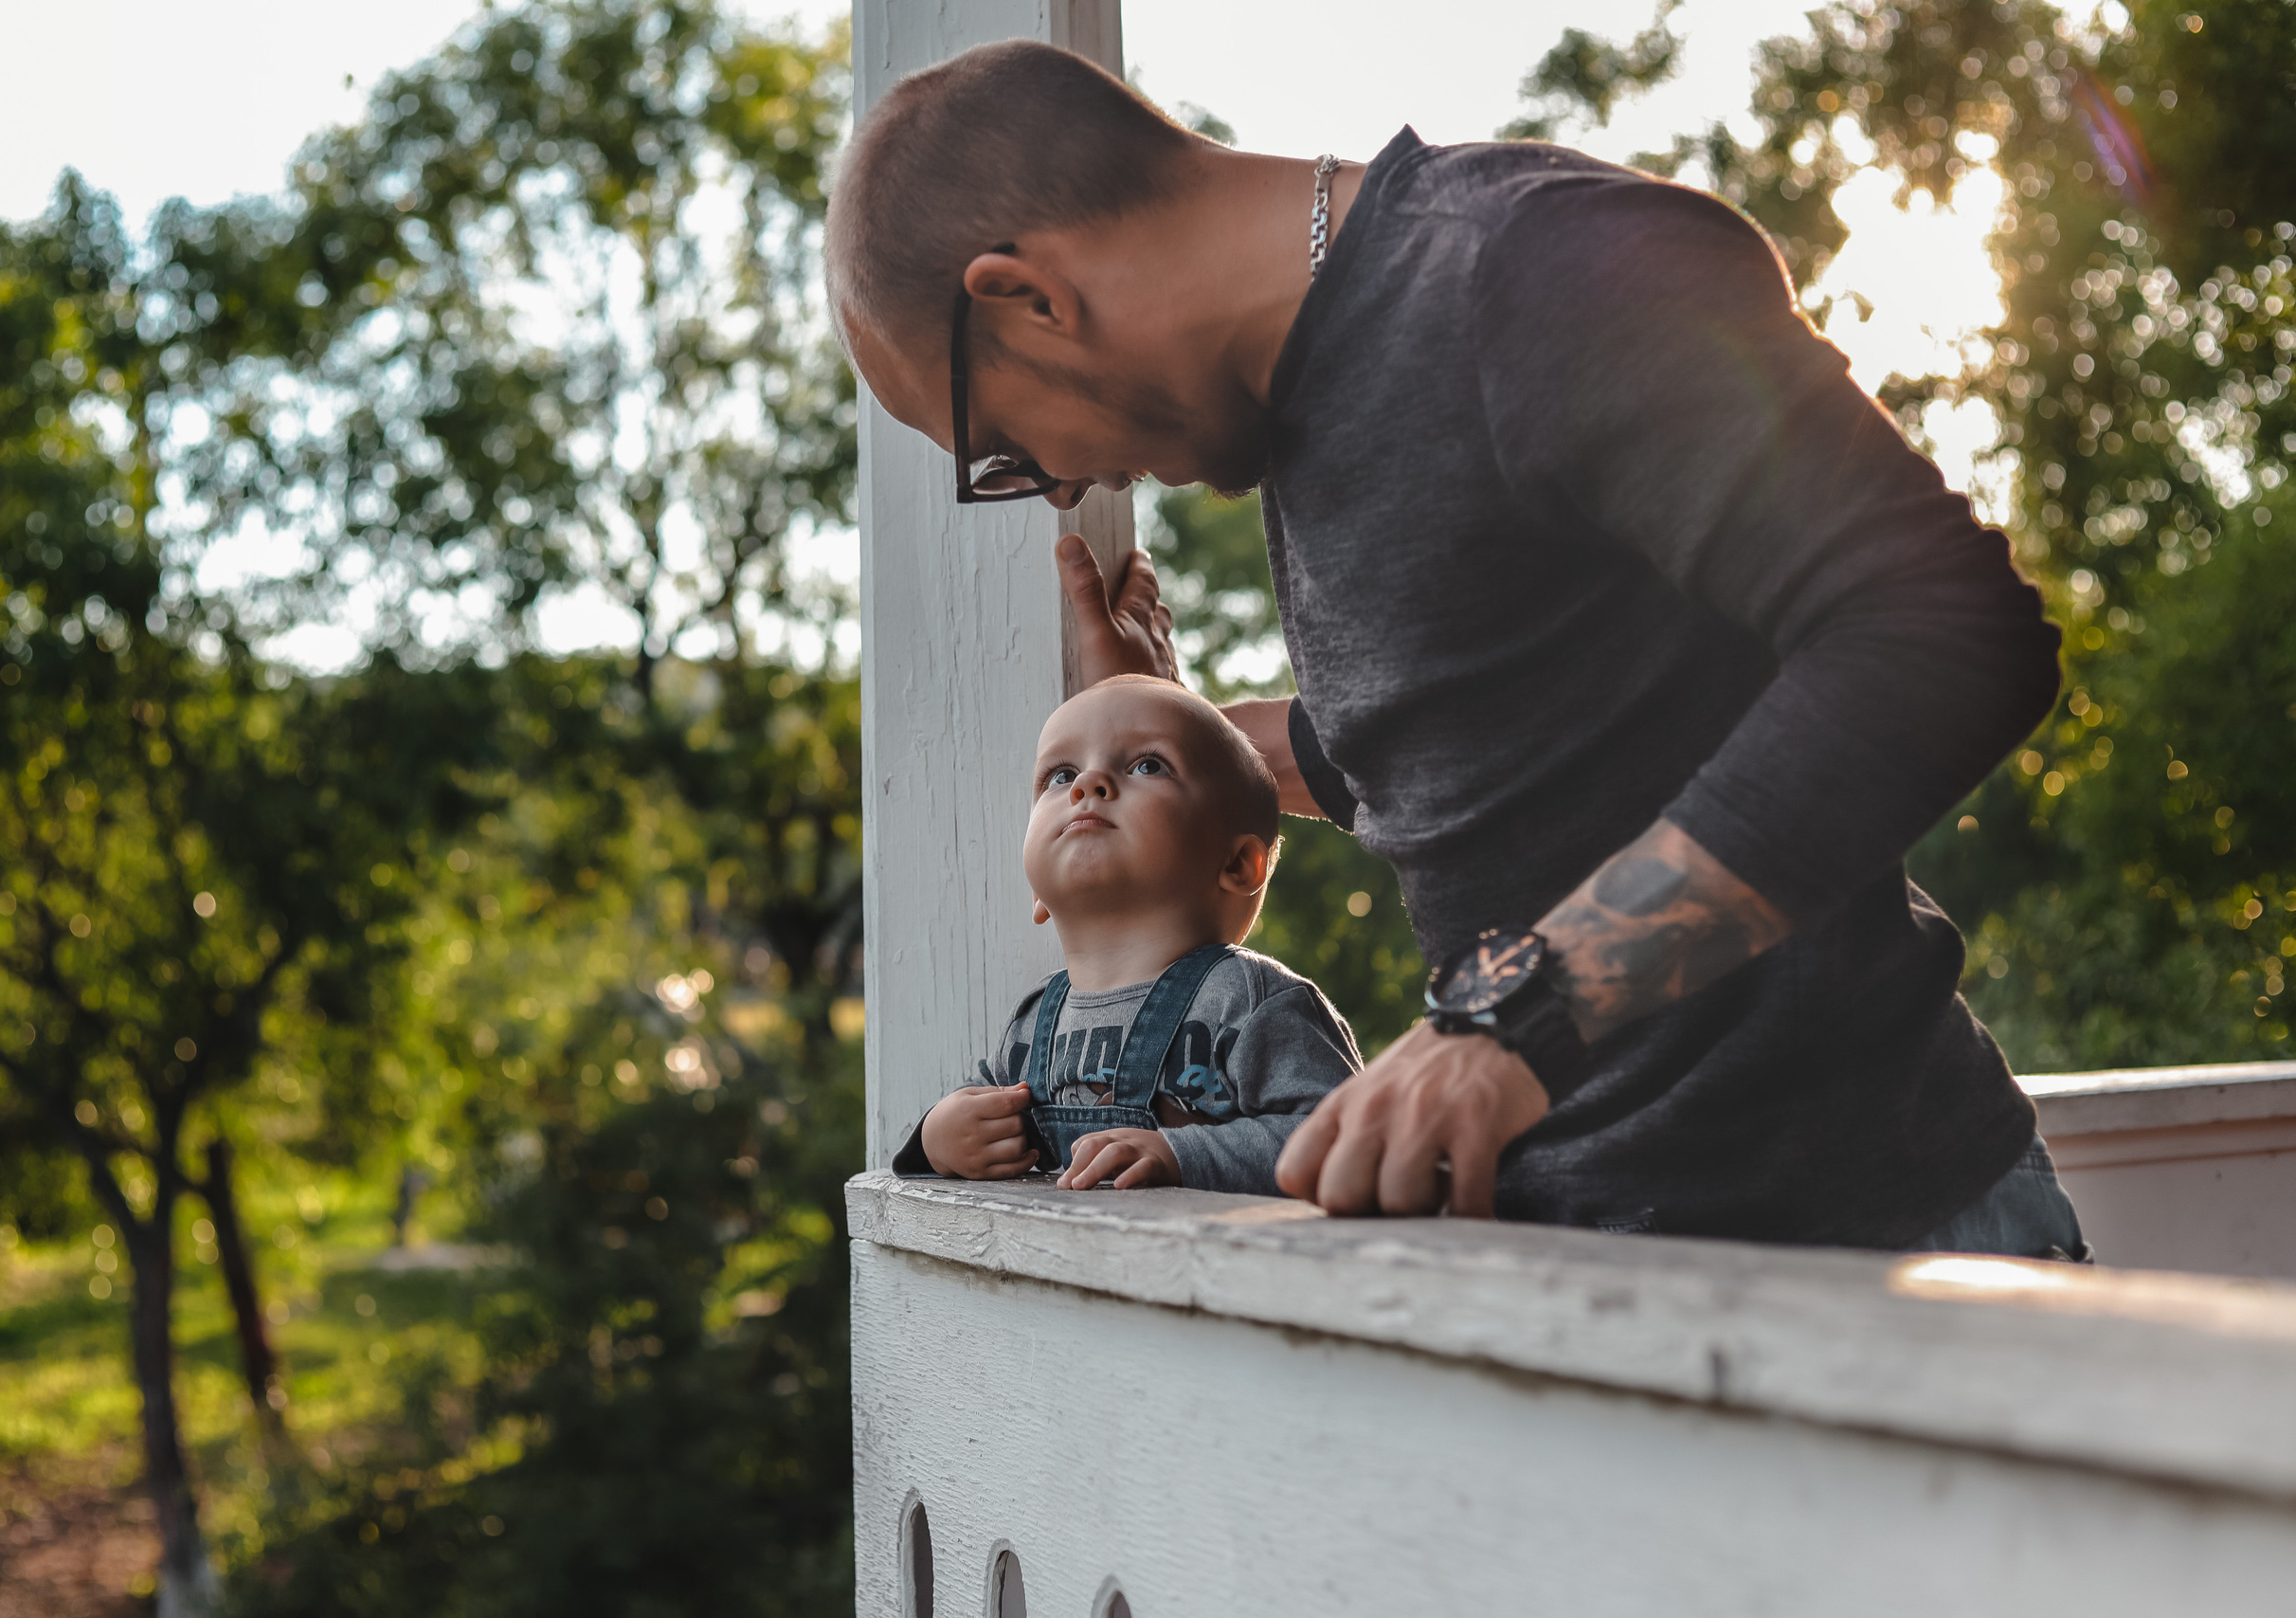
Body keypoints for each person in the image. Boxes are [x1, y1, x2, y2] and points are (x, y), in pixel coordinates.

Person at [832, 41, 2087, 1258]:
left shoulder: (1528, 265)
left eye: (1002, 445)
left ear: (1026, 298)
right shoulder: (1308, 421)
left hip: (1879, 1236)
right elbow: (1467, 758)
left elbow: (1942, 626)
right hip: (1587, 1259)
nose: (1057, 489)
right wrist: (1153, 728)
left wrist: (1522, 1017)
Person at [895, 675, 1362, 1194]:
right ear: (1039, 893)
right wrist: (937, 1138)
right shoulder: (1032, 1026)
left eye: (1148, 765)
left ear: (1238, 863)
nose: (1087, 783)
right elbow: (976, 1114)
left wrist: (1180, 1154)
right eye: (1060, 774)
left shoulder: (1253, 1003)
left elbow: (1342, 1136)